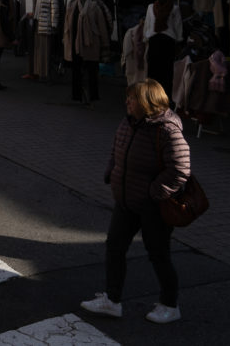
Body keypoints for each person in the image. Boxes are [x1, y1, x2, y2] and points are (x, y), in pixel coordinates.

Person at [81, 79, 190, 324]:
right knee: (115, 247)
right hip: (126, 201)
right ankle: (112, 300)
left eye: (132, 98)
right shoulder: (129, 121)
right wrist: (112, 170)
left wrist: (154, 192)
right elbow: (116, 148)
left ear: (146, 102)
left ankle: (170, 305)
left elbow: (181, 169)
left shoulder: (167, 129)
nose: (127, 102)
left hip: (153, 206)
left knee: (158, 254)